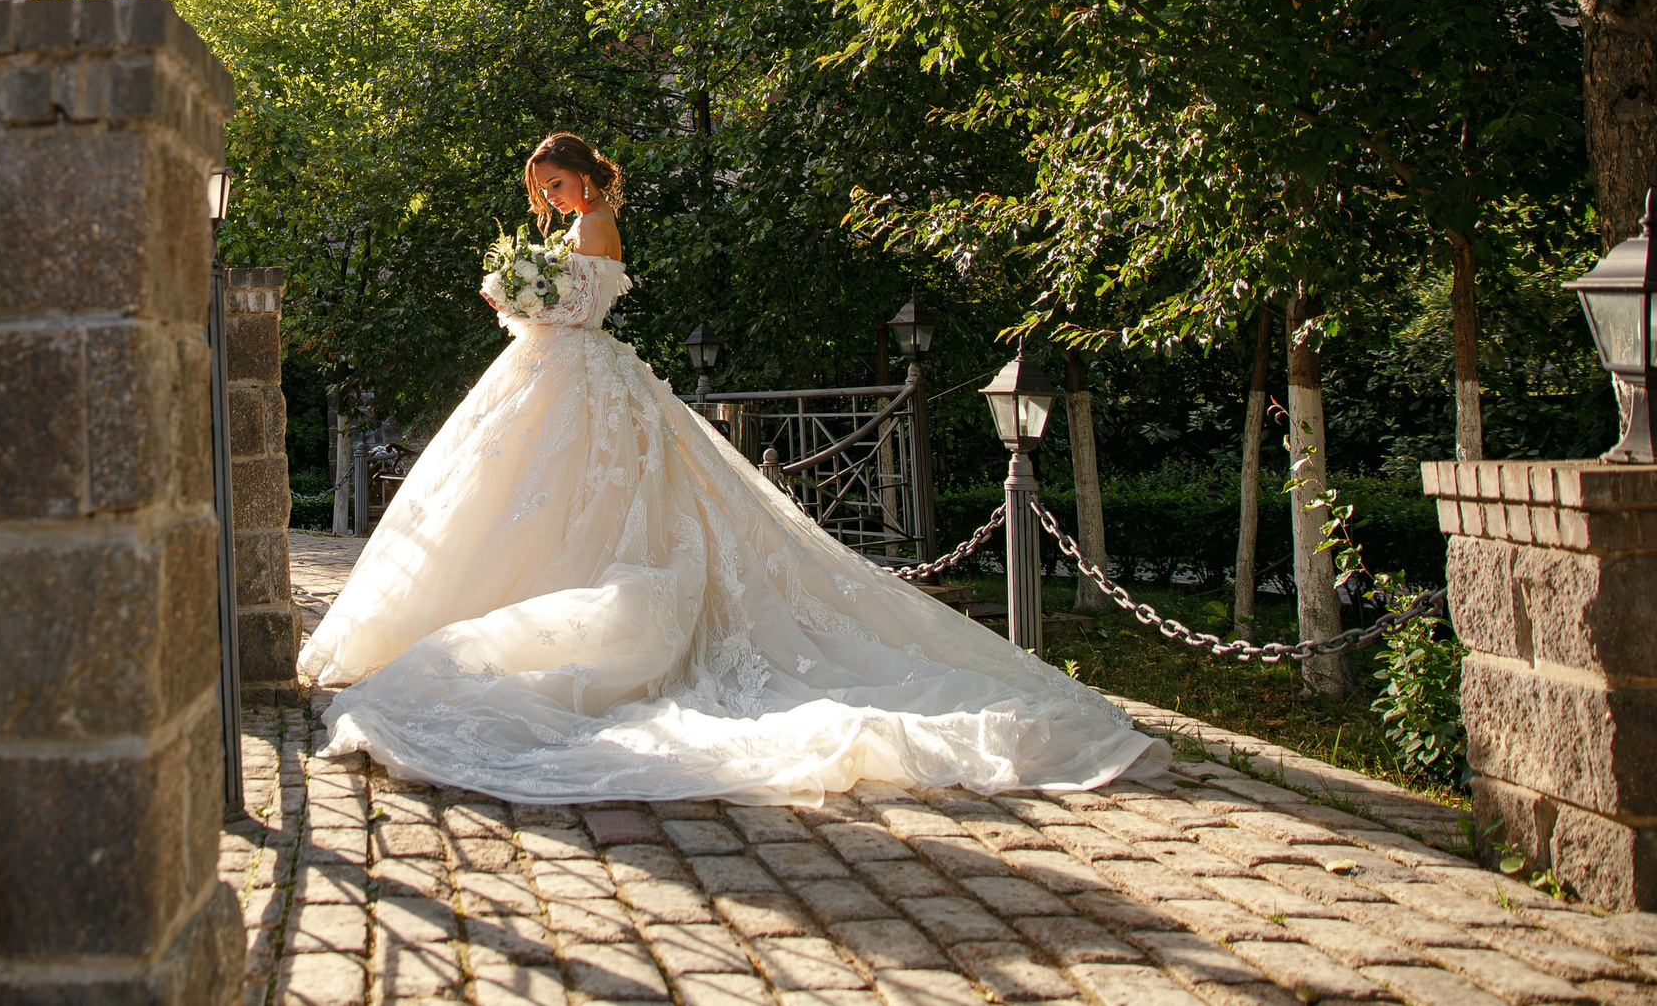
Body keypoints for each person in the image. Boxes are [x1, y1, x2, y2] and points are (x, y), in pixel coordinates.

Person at [297, 130, 1165, 805]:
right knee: (518, 497)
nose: (550, 200)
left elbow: (574, 306)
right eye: (542, 192)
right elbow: (558, 302)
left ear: (583, 180)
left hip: (578, 372)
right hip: (558, 376)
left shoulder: (596, 223)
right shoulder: (578, 225)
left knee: (587, 503)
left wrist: (521, 293)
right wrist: (518, 293)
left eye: (554, 186)